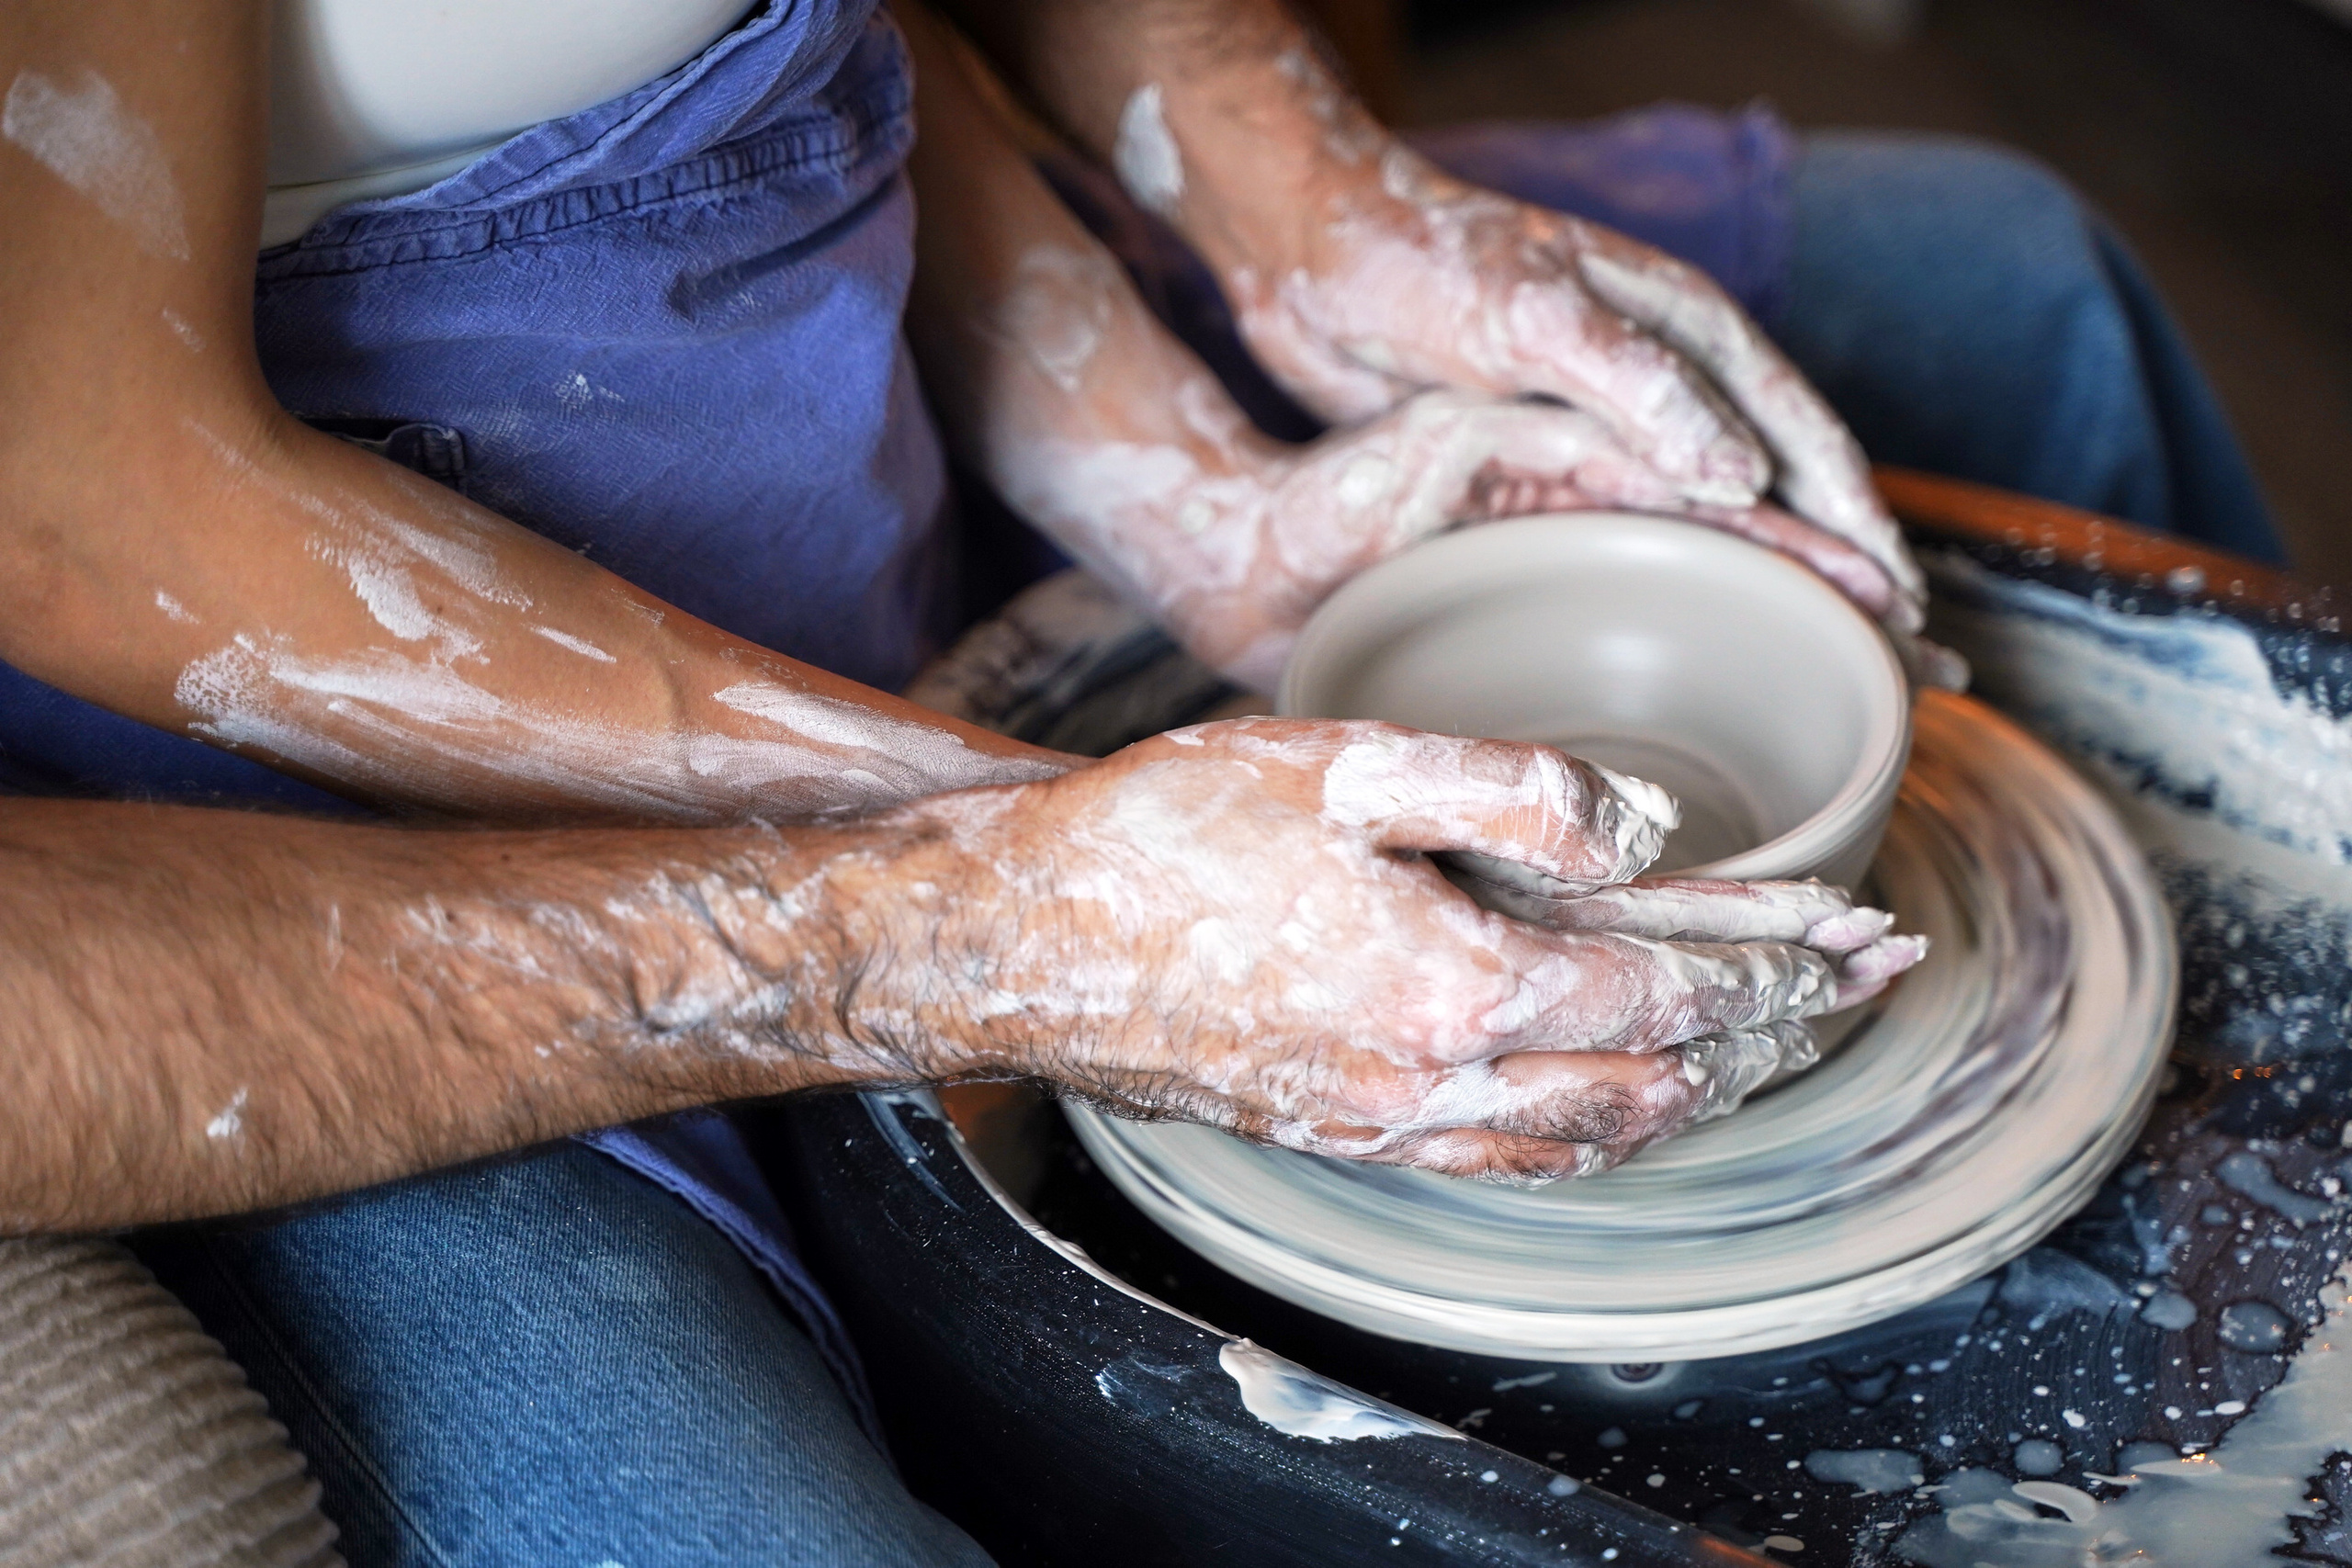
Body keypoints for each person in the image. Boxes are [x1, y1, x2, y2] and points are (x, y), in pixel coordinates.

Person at [0, 0, 2271, 1562]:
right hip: (298, 811)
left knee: (2016, 289)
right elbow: (85, 510)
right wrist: (1013, 879)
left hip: (871, 403)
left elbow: (770, 62)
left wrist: (1194, 481)